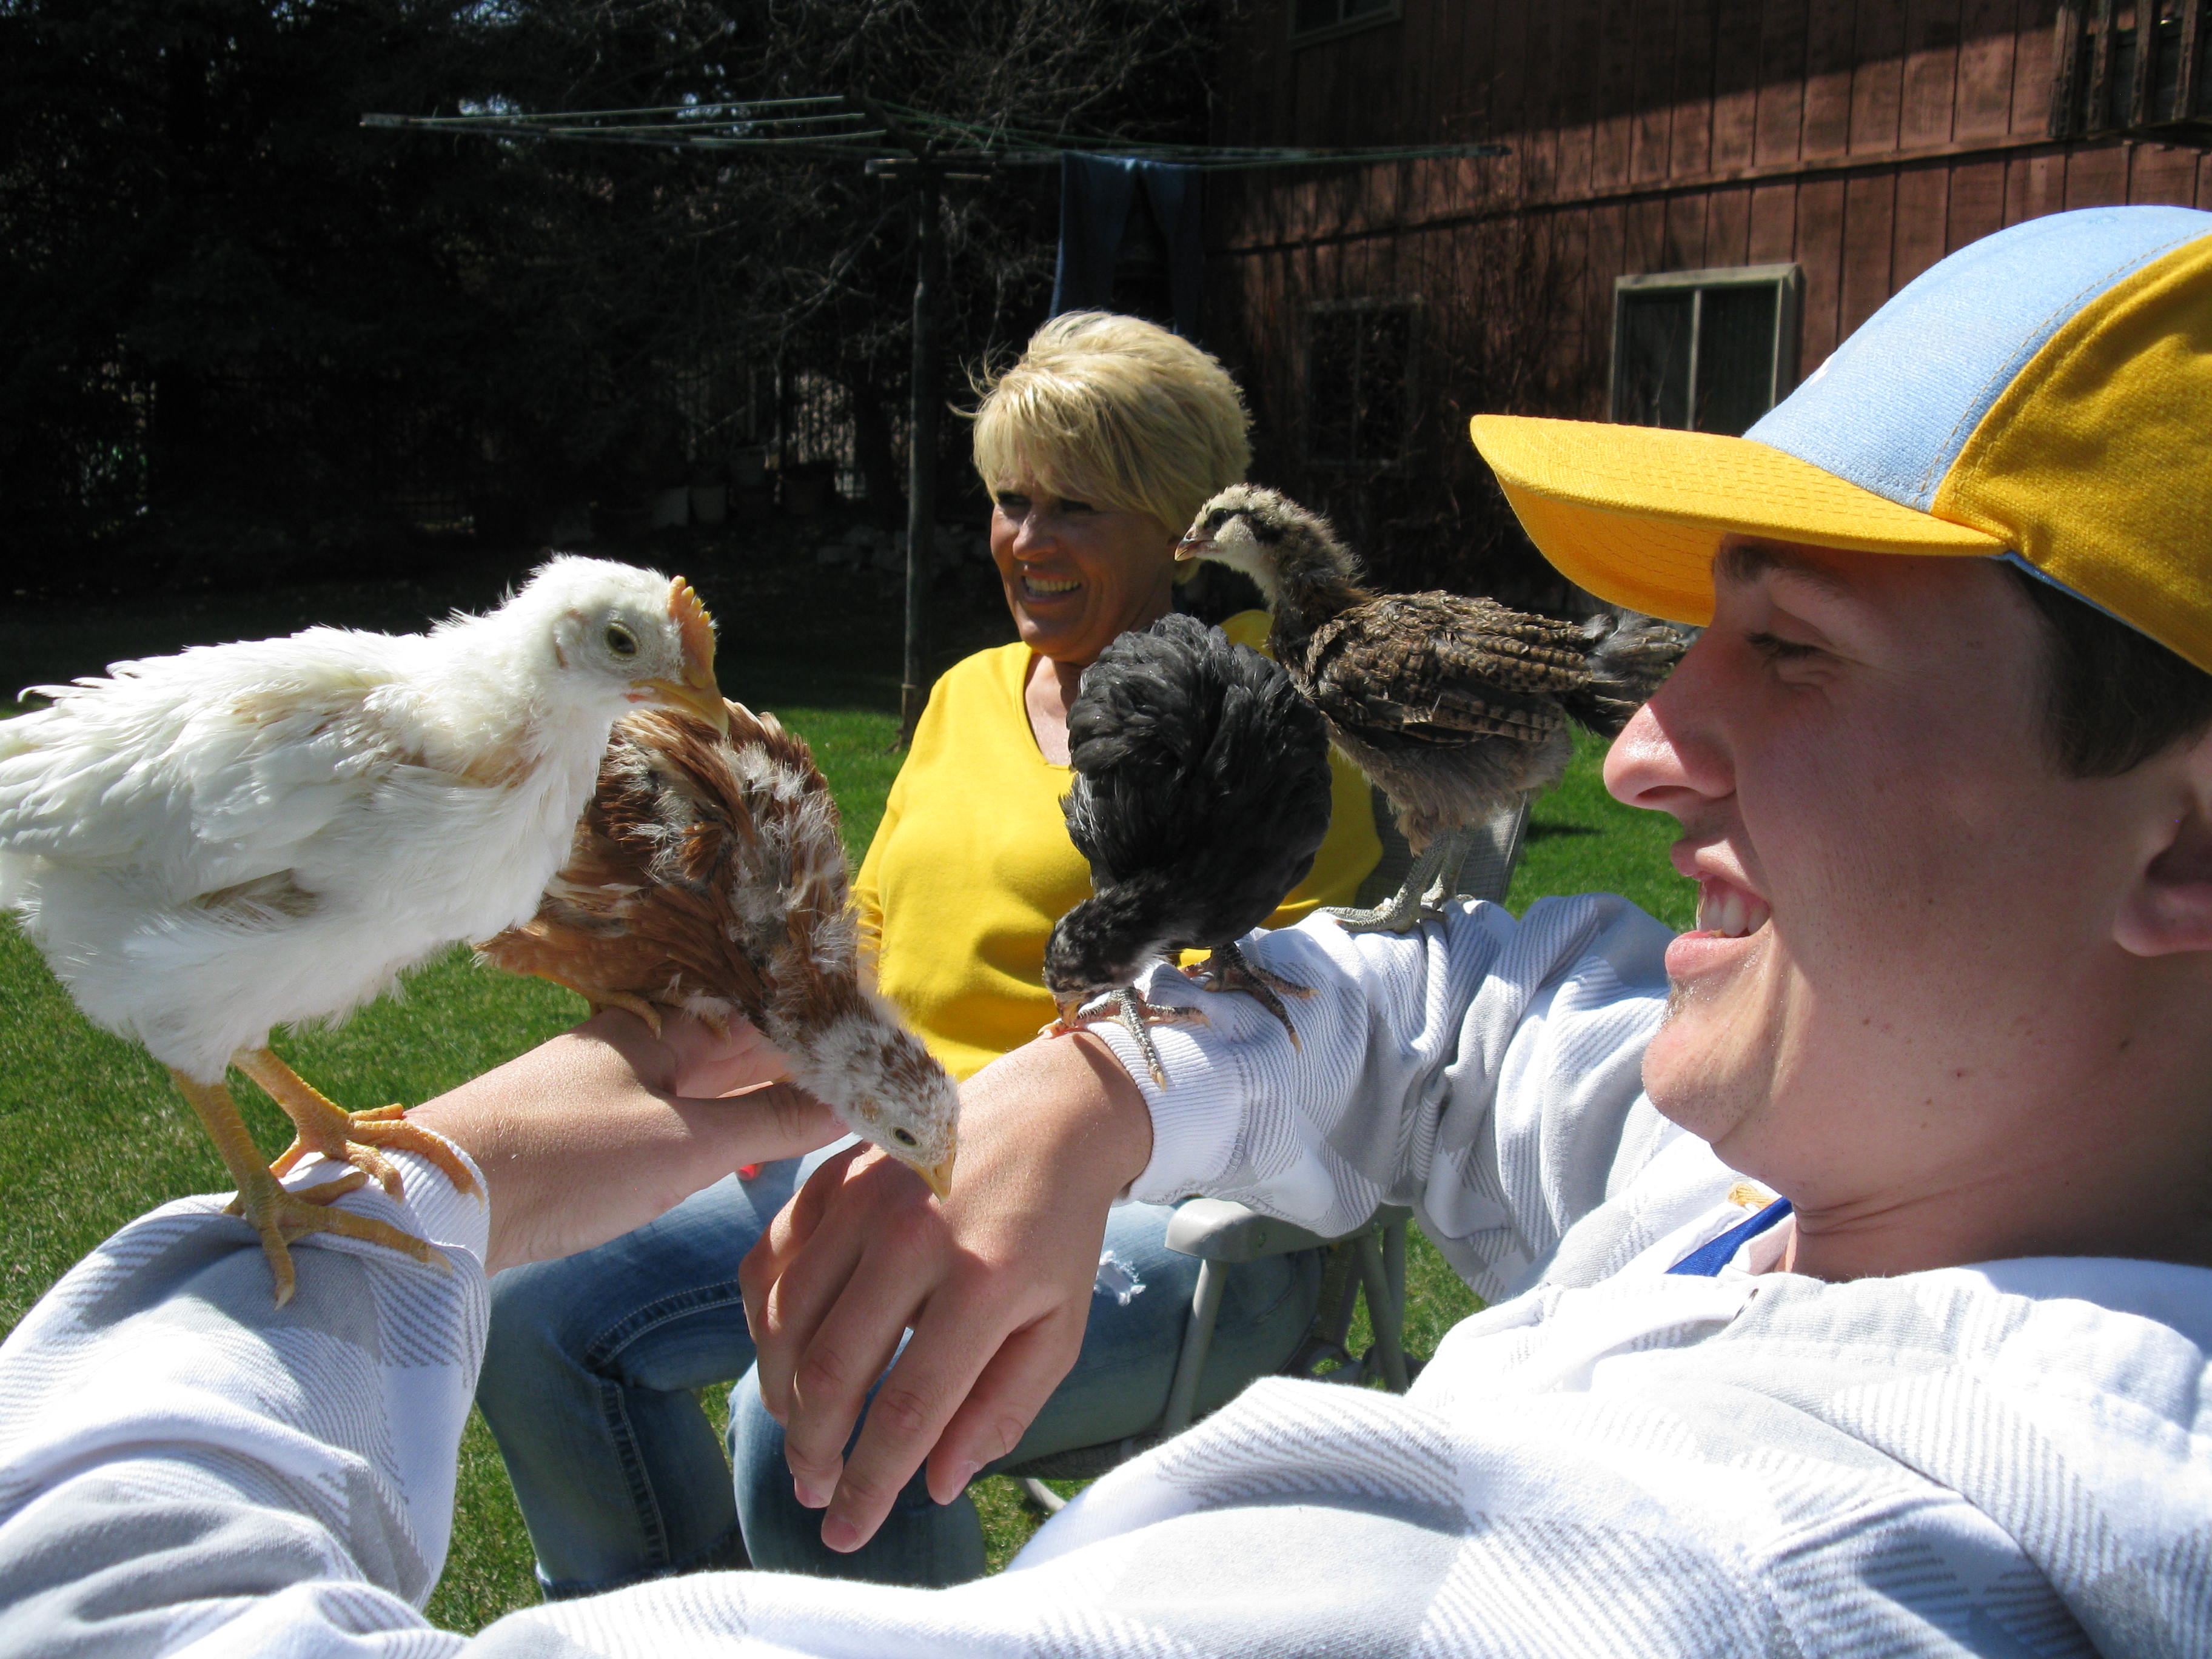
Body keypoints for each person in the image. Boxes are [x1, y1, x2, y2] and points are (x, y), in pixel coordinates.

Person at [4, 204, 2210, 1656]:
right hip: (923, 1133)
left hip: (1137, 1234)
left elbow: (110, 1613)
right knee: (598, 1326)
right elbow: (1446, 1008)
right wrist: (1089, 1088)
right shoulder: (1842, 1171)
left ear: (2179, 850)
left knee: (816, 1403)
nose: (1637, 755)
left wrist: (415, 1188)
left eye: (1791, 654)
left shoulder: (1669, 1583)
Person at [472, 310, 1382, 1597]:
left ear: (1177, 523)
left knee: (824, 1392)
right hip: (878, 1150)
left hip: (1152, 1209)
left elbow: (1293, 1010)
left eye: (1077, 506)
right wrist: (758, 1044)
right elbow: (874, 938)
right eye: (1012, 501)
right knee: (537, 1312)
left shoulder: (1260, 707)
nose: (1028, 540)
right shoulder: (969, 693)